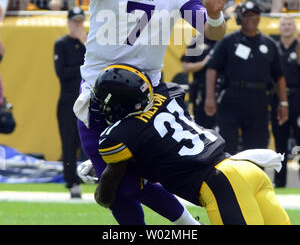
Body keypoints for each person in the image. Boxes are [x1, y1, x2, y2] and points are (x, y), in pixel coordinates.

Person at [63, 0, 235, 225]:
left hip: (148, 94)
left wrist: (214, 14)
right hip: (99, 91)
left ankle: (191, 226)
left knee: (151, 175)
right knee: (117, 189)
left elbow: (211, 31)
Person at [91, 64, 290, 225]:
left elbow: (108, 194)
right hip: (246, 168)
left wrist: (100, 184)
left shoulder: (119, 135)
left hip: (221, 183)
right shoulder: (169, 93)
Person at [204, 1, 289, 155]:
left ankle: (254, 179)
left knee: (257, 148)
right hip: (231, 98)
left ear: (259, 17)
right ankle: (226, 179)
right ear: (240, 19)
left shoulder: (269, 44)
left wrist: (283, 103)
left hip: (259, 101)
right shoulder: (229, 41)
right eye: (247, 15)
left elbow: (279, 76)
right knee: (226, 147)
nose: (251, 18)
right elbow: (212, 68)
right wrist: (210, 97)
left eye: (254, 15)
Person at [54, 7, 87, 198]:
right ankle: (71, 181)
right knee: (69, 141)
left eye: (80, 21)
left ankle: (94, 177)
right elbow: (62, 73)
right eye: (75, 22)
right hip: (68, 100)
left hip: (87, 100)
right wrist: (82, 68)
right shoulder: (62, 43)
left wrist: (85, 43)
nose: (78, 25)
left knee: (89, 141)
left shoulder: (87, 43)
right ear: (68, 23)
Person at [270, 15, 300, 187]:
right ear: (279, 28)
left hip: (297, 97)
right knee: (279, 141)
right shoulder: (274, 48)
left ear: (294, 28)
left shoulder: (298, 47)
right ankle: (279, 183)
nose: (287, 27)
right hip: (278, 99)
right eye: (284, 24)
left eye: (290, 24)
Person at [182, 35, 216, 129]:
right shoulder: (196, 41)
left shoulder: (225, 40)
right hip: (201, 91)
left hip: (221, 91)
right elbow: (185, 67)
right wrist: (204, 63)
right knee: (202, 126)